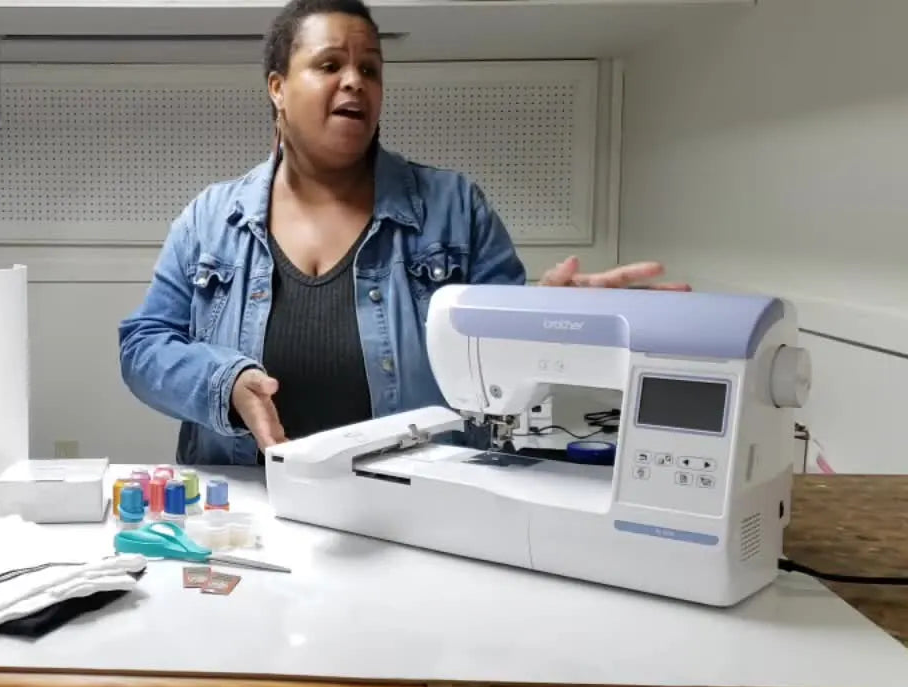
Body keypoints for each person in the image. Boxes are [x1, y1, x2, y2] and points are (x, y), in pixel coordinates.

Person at [118, 0, 688, 466]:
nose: (355, 82)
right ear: (277, 87)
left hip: (422, 506)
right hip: (251, 507)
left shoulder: (453, 207)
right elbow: (143, 347)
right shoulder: (209, 219)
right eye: (329, 65)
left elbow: (507, 369)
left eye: (370, 68)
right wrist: (225, 381)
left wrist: (550, 322)